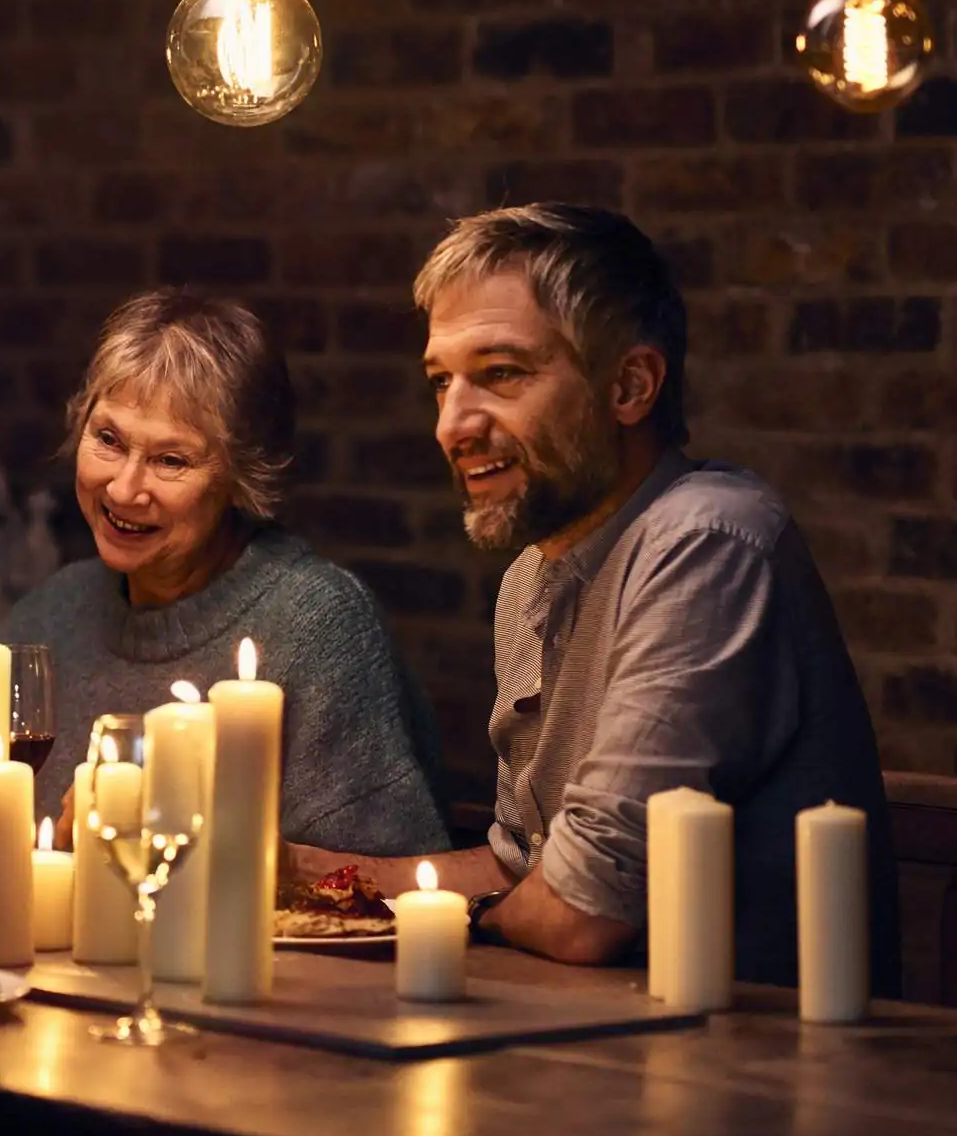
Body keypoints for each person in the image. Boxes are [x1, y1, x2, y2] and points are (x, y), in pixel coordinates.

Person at [307, 203, 898, 991]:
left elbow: (582, 912)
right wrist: (300, 872)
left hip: (755, 1067)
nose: (452, 424)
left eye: (500, 375)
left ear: (629, 385)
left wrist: (481, 906)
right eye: (439, 382)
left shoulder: (706, 539)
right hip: (585, 1039)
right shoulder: (532, 571)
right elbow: (521, 868)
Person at [3, 288, 450, 858]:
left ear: (242, 476)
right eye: (109, 440)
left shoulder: (317, 624)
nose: (122, 489)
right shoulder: (52, 611)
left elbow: (384, 889)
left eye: (171, 460)